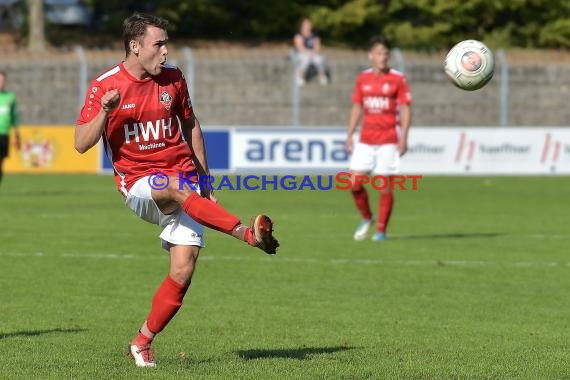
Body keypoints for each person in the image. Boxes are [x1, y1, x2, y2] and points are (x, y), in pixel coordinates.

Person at [74, 13, 279, 368]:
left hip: (183, 178)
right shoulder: (104, 86)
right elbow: (80, 143)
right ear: (135, 47)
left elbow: (190, 124)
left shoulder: (174, 79)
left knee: (183, 269)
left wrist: (206, 178)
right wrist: (105, 112)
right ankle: (248, 235)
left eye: (166, 44)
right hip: (139, 184)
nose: (166, 52)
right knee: (174, 187)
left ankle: (142, 341)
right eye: (159, 44)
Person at [345, 35, 412, 242]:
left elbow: (406, 108)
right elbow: (357, 106)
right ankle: (367, 217)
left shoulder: (398, 78)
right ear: (370, 55)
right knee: (354, 184)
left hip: (388, 140)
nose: (383, 57)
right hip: (366, 139)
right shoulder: (362, 78)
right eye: (379, 53)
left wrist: (404, 138)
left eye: (386, 53)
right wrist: (349, 134)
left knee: (384, 186)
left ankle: (381, 230)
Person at [293, 17, 328, 86]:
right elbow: (300, 47)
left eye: (309, 24)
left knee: (319, 59)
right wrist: (308, 53)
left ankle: (322, 77)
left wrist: (313, 53)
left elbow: (317, 46)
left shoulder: (315, 35)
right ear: (302, 25)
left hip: (313, 53)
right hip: (302, 53)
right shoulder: (298, 34)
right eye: (306, 24)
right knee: (305, 59)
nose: (308, 26)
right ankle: (299, 76)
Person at [0, 70, 21, 186]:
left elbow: (14, 117)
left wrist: (17, 135)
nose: (0, 83)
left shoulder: (10, 97)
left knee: (1, 162)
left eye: (2, 80)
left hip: (4, 134)